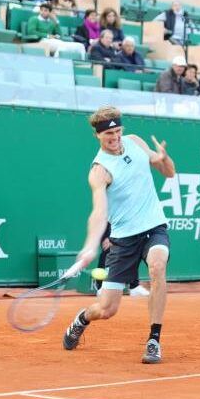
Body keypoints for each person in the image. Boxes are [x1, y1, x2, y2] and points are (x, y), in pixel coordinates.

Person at [62, 105, 175, 364]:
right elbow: (99, 213)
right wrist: (91, 246)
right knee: (106, 309)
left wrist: (163, 158)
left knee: (158, 266)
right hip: (124, 239)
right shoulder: (99, 171)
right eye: (108, 136)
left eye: (117, 132)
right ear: (98, 136)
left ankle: (154, 340)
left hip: (154, 226)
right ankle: (82, 318)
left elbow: (169, 172)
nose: (114, 139)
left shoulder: (135, 142)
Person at [95, 224, 150, 297]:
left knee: (134, 251)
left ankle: (134, 287)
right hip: (112, 228)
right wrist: (105, 236)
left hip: (129, 229)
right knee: (108, 250)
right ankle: (101, 287)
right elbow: (104, 217)